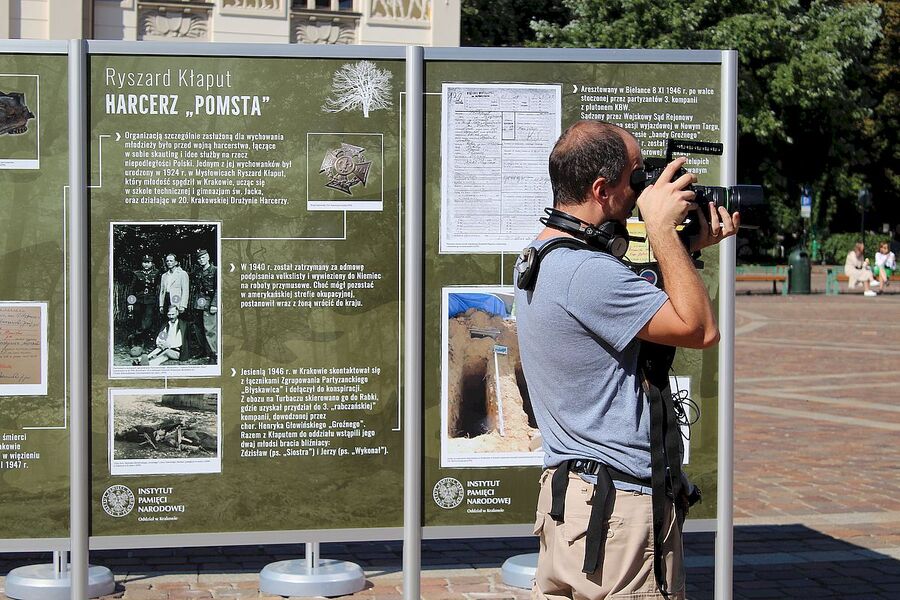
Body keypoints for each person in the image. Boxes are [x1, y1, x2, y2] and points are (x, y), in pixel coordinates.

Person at [514, 121, 738, 600]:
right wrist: (660, 229)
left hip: (575, 499)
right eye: (637, 176)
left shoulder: (546, 253)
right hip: (619, 514)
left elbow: (634, 304)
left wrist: (685, 247)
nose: (646, 187)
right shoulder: (586, 270)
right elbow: (701, 329)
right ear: (601, 189)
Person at [190, 248, 218, 362]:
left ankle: (213, 353)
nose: (201, 260)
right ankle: (203, 350)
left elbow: (218, 289)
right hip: (198, 303)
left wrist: (214, 304)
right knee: (198, 328)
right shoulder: (198, 272)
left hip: (209, 303)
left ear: (208, 257)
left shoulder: (215, 270)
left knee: (210, 329)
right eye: (199, 258)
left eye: (203, 257)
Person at [127, 254, 159, 348]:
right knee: (138, 321)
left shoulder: (156, 273)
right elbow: (132, 290)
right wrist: (130, 303)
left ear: (152, 263)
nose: (146, 264)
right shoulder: (137, 274)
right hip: (138, 301)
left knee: (147, 323)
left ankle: (134, 337)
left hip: (150, 301)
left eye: (148, 262)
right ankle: (138, 342)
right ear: (142, 263)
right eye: (144, 262)